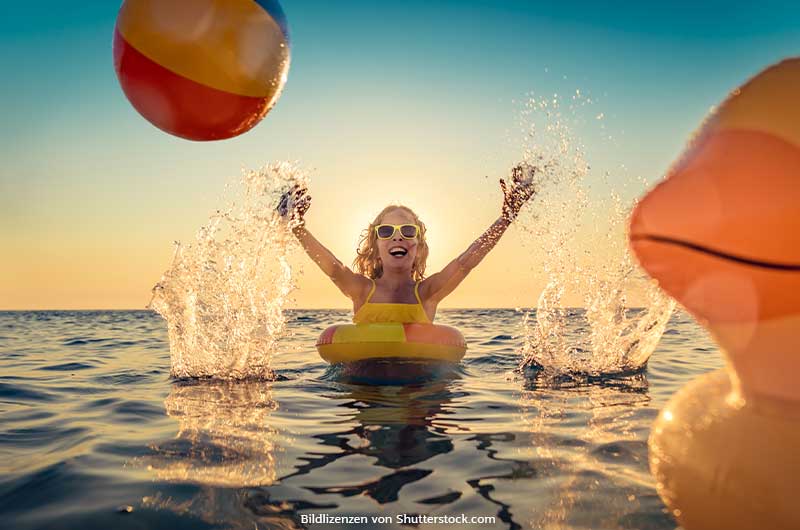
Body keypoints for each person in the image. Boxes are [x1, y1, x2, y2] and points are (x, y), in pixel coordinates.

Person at [281, 164, 537, 324]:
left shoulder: (427, 293)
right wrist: (296, 226)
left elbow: (466, 261)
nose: (397, 236)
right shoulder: (361, 290)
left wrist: (506, 218)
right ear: (376, 248)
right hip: (364, 394)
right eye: (387, 231)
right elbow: (334, 268)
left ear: (419, 248)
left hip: (417, 393)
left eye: (407, 230)